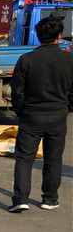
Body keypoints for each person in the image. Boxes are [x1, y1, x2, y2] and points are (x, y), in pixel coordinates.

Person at [8, 16, 73, 213]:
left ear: (37, 35)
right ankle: (50, 199)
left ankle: (21, 199)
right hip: (58, 115)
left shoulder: (26, 60)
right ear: (59, 36)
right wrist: (66, 108)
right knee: (53, 158)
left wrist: (21, 112)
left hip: (31, 115)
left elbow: (17, 92)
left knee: (24, 158)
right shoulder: (69, 60)